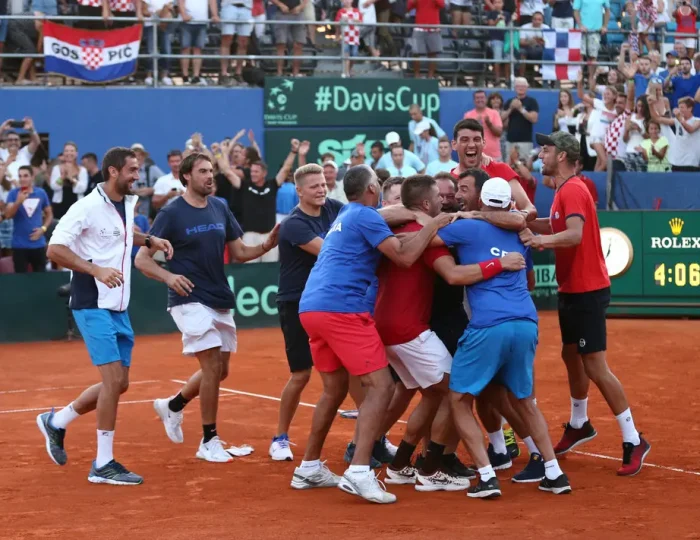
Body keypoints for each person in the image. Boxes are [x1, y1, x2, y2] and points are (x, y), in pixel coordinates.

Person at [290, 165, 450, 504]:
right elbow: (405, 258)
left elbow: (392, 221)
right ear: (372, 188)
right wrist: (434, 223)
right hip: (342, 309)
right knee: (382, 385)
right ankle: (360, 470)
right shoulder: (367, 216)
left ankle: (309, 466)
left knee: (333, 390)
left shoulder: (348, 213)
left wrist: (414, 224)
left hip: (312, 307)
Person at [377, 175, 527, 492]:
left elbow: (520, 217)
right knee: (457, 390)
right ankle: (430, 470)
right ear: (427, 204)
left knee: (433, 394)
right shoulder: (428, 234)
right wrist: (499, 263)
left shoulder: (399, 229)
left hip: (389, 328)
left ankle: (400, 464)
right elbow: (455, 275)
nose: (446, 201)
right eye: (439, 196)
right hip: (409, 330)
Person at [37, 147, 173, 485]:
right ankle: (103, 462)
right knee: (113, 381)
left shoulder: (125, 204)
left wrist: (150, 238)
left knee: (121, 383)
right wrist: (95, 269)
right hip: (91, 302)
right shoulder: (86, 207)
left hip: (118, 305)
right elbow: (54, 248)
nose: (136, 175)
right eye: (130, 169)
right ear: (112, 171)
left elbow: (124, 236)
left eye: (138, 169)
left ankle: (57, 422)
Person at [520, 131, 651, 476]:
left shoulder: (574, 189)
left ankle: (633, 438)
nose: (541, 154)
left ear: (562, 156)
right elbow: (559, 224)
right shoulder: (564, 191)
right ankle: (580, 423)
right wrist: (525, 222)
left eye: (546, 149)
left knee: (594, 365)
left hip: (587, 290)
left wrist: (539, 239)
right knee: (570, 354)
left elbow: (574, 235)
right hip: (572, 290)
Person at [135, 153, 280, 463]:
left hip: (219, 296)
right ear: (186, 176)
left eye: (211, 171)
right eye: (203, 171)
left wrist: (267, 246)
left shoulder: (220, 207)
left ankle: (172, 406)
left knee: (220, 371)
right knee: (212, 365)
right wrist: (169, 276)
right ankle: (209, 440)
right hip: (188, 298)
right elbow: (142, 259)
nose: (210, 176)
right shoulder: (170, 213)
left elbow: (239, 251)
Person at [436, 174, 572, 498]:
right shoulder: (520, 234)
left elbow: (426, 239)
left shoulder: (466, 226)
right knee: (525, 401)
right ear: (509, 204)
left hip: (488, 324)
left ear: (481, 201)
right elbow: (528, 283)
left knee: (458, 398)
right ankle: (554, 472)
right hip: (526, 321)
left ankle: (486, 476)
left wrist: (459, 218)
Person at [450, 118, 537, 220]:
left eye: (476, 140)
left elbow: (530, 209)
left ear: (484, 143)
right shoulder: (450, 181)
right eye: (465, 140)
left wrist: (517, 217)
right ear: (454, 144)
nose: (471, 145)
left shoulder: (501, 170)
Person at [3, 165, 52, 273]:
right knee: (20, 281)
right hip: (19, 245)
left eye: (25, 176)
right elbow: (8, 215)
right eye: (20, 176)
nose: (22, 179)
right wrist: (18, 202)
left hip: (38, 244)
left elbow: (49, 214)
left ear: (32, 177)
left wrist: (43, 229)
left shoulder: (41, 193)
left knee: (40, 279)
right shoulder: (13, 193)